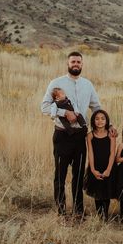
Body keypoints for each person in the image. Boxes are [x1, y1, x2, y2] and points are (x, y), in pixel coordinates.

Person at [41, 51, 102, 217]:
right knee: (60, 175)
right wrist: (63, 113)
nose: (76, 64)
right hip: (62, 136)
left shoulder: (88, 85)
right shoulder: (56, 83)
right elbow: (45, 107)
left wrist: (106, 125)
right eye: (73, 61)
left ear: (82, 64)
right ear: (68, 63)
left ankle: (78, 211)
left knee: (78, 175)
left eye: (79, 62)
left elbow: (97, 107)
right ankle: (61, 212)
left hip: (80, 137)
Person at [84, 109, 116, 221]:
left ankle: (105, 215)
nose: (100, 121)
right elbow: (91, 154)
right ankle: (99, 215)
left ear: (107, 121)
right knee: (97, 192)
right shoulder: (90, 136)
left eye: (103, 118)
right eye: (97, 119)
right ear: (93, 121)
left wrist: (108, 169)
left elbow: (113, 153)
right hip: (96, 166)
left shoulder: (111, 134)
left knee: (106, 191)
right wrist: (92, 169)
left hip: (108, 166)